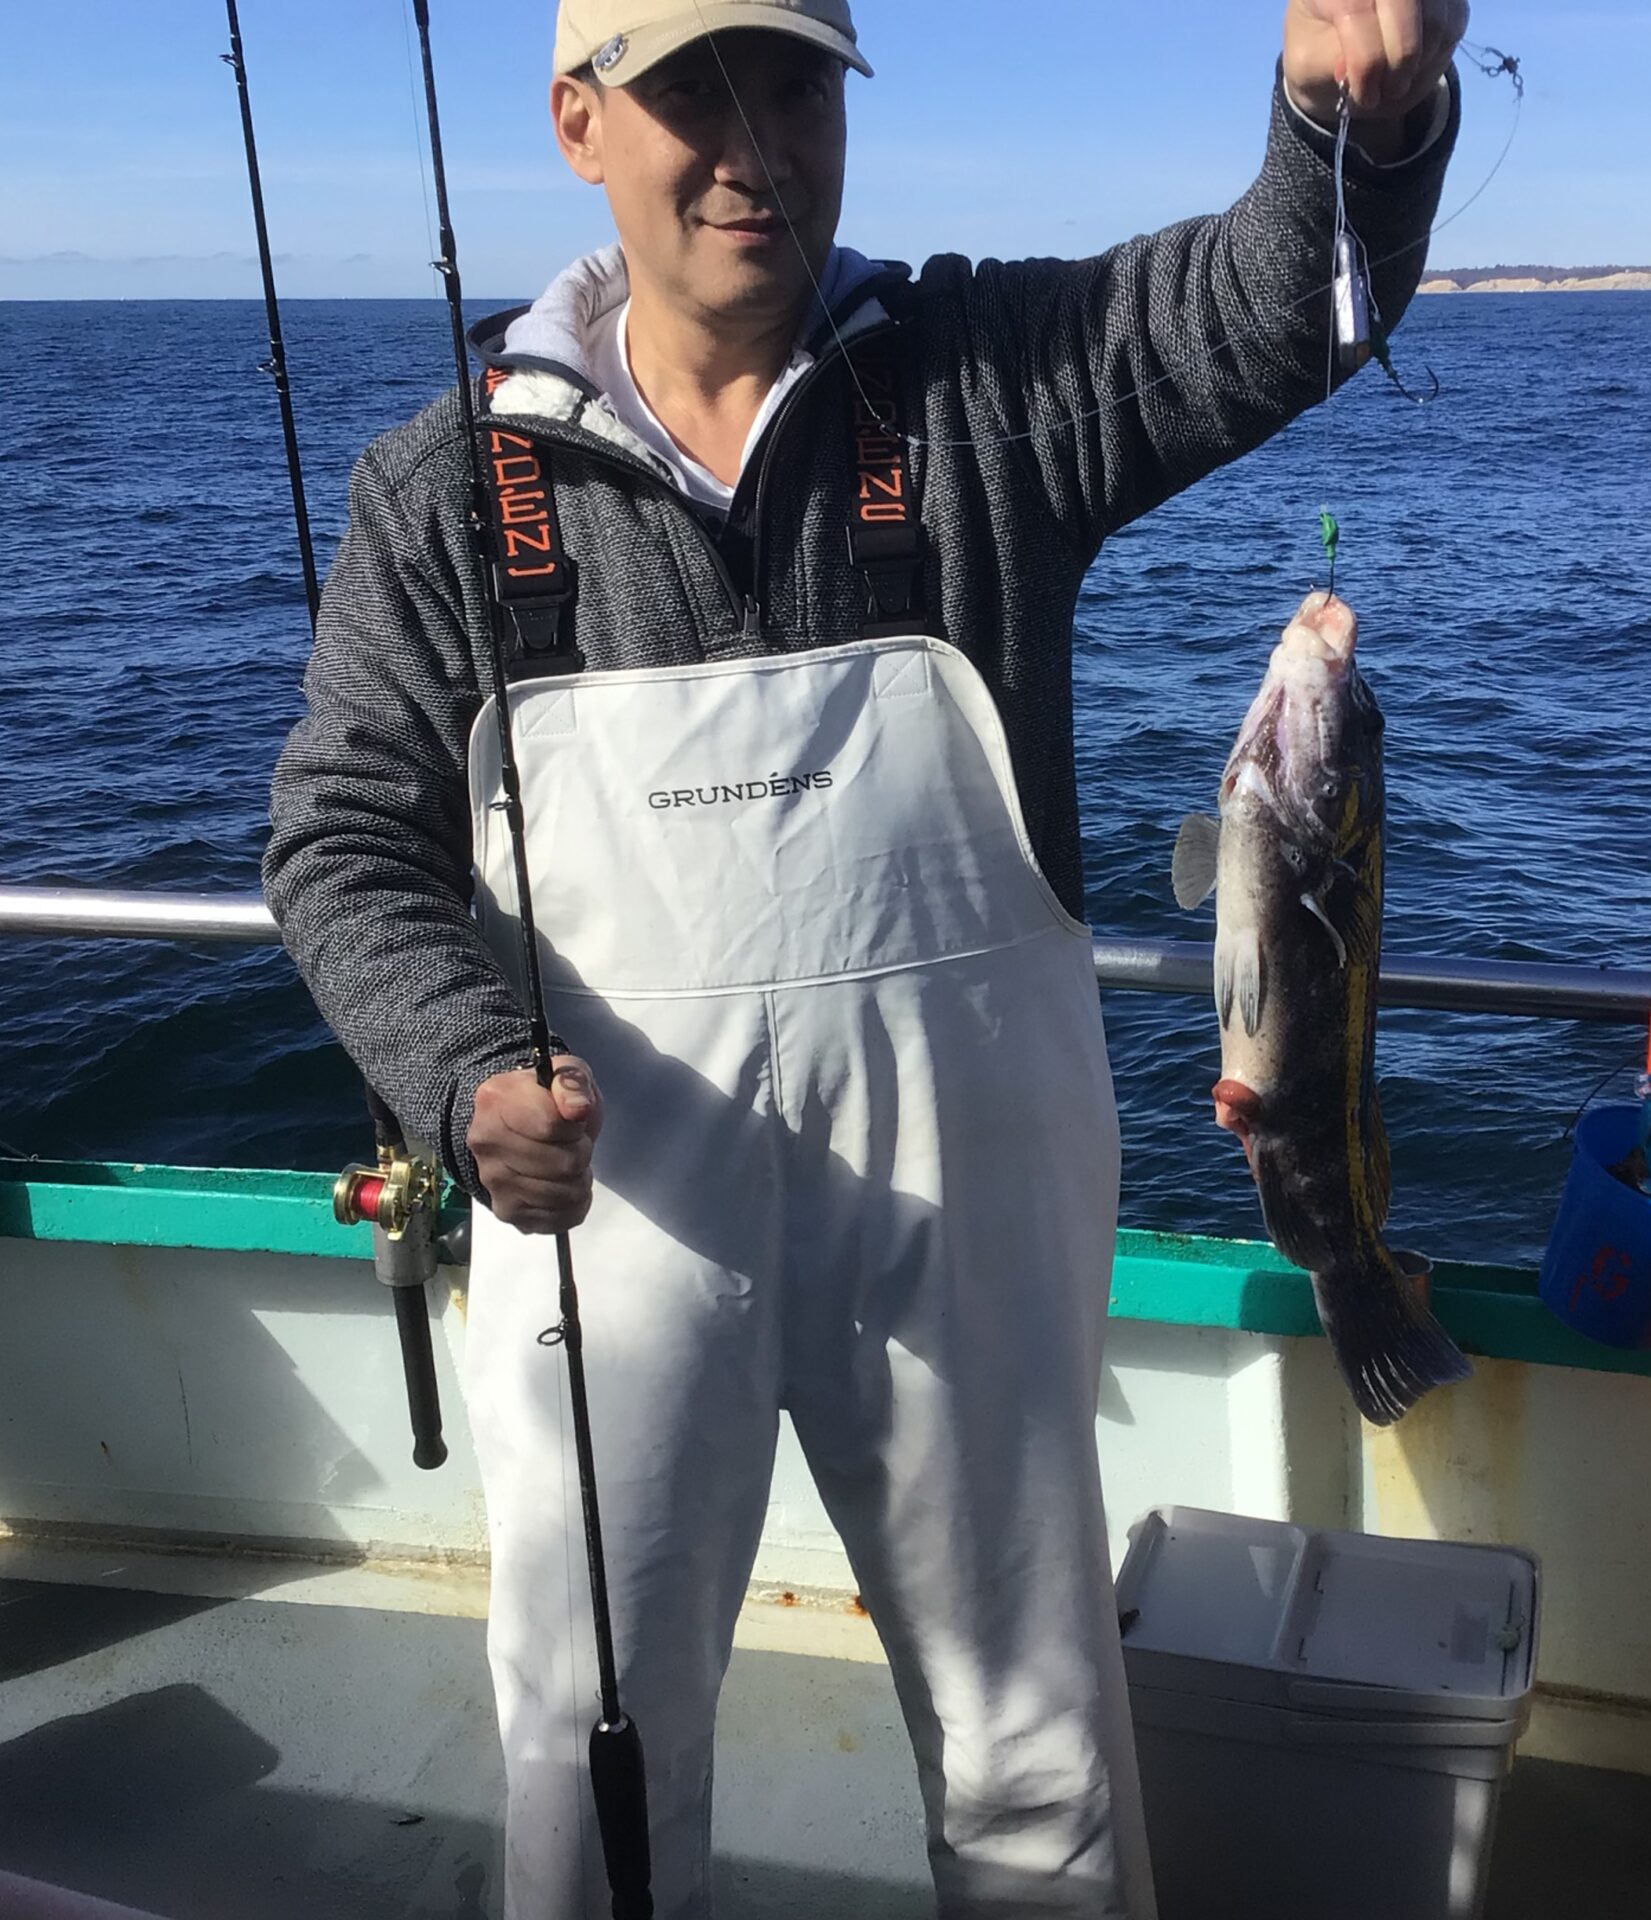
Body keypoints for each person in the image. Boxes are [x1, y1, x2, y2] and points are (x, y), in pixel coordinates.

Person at [265, 2, 1465, 1913]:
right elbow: (338, 838)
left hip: (961, 1207)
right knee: (593, 1746)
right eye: (692, 91)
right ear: (582, 125)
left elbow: (1268, 309)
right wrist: (468, 1065)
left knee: (1035, 1748)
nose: (753, 142)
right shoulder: (441, 496)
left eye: (797, 82)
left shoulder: (979, 385)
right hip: (614, 1219)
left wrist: (1358, 116)